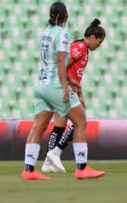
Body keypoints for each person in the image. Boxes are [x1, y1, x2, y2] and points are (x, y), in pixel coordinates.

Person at [21, 2, 105, 180]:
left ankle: (29, 170)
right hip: (55, 85)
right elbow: (61, 62)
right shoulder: (62, 34)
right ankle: (81, 168)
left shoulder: (45, 33)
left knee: (39, 125)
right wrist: (66, 87)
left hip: (41, 84)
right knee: (80, 121)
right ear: (65, 16)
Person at [41, 19, 106, 173]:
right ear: (92, 37)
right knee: (80, 123)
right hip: (64, 89)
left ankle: (48, 162)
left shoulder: (83, 49)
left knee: (60, 125)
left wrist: (80, 94)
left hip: (66, 89)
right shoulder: (80, 48)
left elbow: (76, 74)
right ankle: (59, 154)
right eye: (99, 41)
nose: (99, 45)